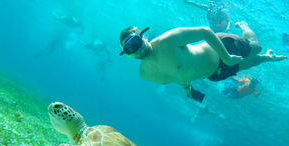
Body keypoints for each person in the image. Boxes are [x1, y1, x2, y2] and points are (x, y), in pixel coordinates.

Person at [119, 22, 287, 103]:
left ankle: (244, 27)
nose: (136, 49)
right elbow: (174, 74)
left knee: (256, 48)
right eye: (129, 49)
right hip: (214, 74)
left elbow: (205, 32)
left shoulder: (166, 41)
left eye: (135, 42)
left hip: (221, 49)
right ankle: (269, 57)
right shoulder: (145, 73)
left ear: (144, 37)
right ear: (127, 55)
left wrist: (227, 58)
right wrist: (186, 87)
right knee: (248, 64)